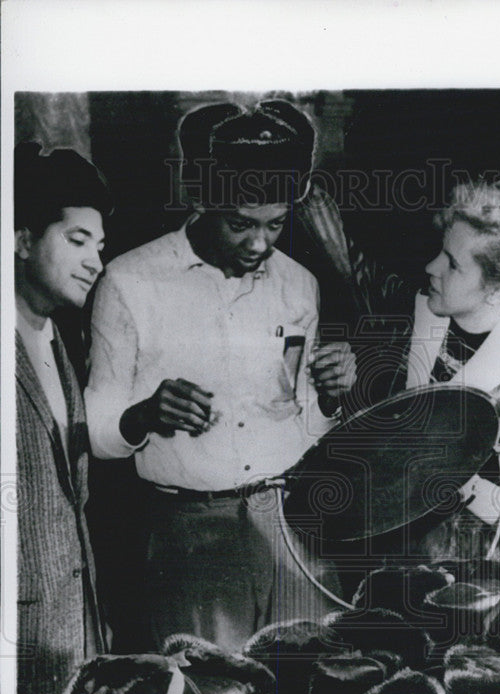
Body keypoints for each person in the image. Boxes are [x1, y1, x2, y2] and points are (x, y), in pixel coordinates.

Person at [85, 101, 349, 652]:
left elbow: (305, 422)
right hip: (189, 533)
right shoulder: (129, 282)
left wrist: (330, 397)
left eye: (276, 225)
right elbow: (98, 434)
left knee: (316, 682)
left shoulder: (298, 284)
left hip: (290, 520)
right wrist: (145, 414)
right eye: (241, 224)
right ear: (204, 202)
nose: (259, 245)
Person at [308, 178, 500, 572]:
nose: (431, 267)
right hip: (388, 563)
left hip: (475, 583)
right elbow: (350, 265)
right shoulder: (413, 313)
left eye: (452, 264)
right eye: (441, 252)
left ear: (498, 291)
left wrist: (454, 475)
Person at [14, 142, 111, 694]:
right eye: (77, 241)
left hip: (74, 641)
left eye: (99, 246)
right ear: (22, 239)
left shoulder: (57, 340)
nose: (96, 261)